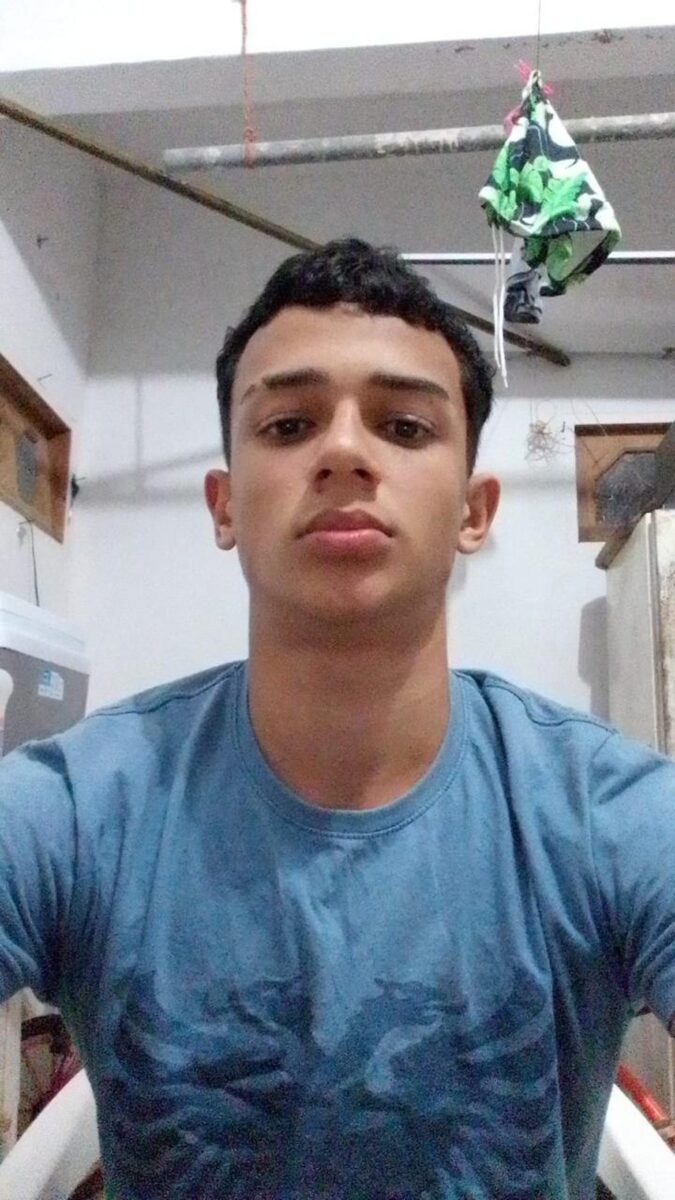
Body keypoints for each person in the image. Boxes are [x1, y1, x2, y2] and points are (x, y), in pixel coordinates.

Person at [0, 237, 674, 1200]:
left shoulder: (610, 817)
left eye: (402, 426)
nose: (345, 452)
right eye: (288, 424)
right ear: (224, 505)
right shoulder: (76, 810)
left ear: (474, 511)